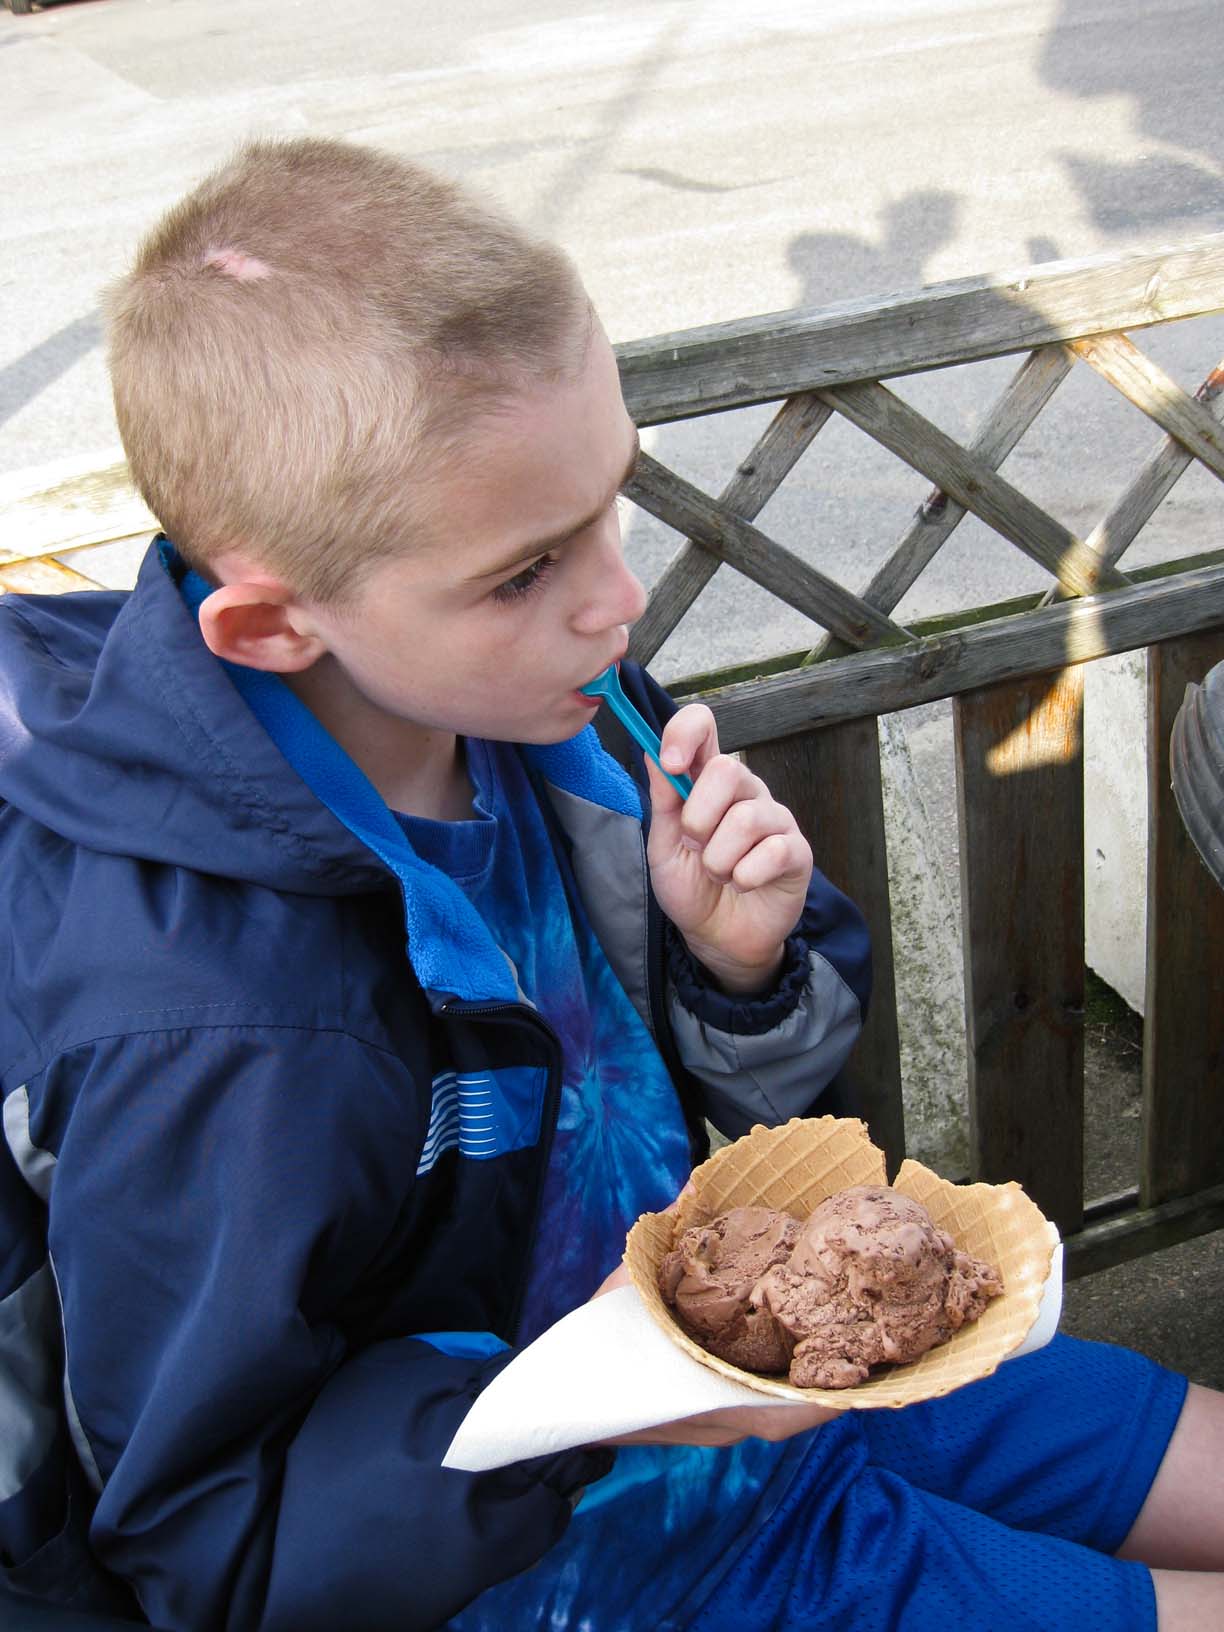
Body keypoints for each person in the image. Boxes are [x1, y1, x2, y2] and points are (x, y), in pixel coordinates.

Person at [0, 137, 1220, 1632]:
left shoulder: (550, 716)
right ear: (271, 629)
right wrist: (600, 1402)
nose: (620, 598)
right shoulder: (217, 1031)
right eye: (527, 569)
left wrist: (741, 968)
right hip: (604, 1558)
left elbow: (743, 1116)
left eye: (614, 498)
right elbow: (215, 1545)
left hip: (773, 1370)